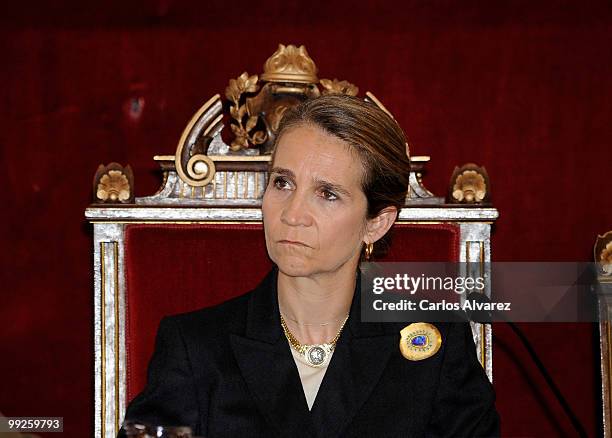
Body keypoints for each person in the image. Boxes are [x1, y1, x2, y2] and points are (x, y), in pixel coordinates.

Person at [122, 94, 500, 437]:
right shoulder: (194, 348)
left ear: (377, 222)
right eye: (282, 183)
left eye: (327, 194)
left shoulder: (436, 347)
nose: (293, 214)